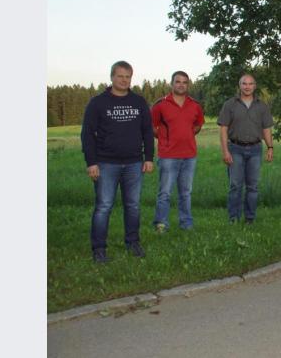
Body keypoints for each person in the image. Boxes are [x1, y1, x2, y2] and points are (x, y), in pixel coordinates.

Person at [81, 61, 154, 263]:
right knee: (104, 206)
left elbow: (147, 132)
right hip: (106, 164)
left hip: (133, 163)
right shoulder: (98, 103)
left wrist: (148, 157)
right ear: (112, 77)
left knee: (133, 205)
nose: (124, 80)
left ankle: (133, 243)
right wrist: (91, 162)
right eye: (120, 76)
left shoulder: (138, 102)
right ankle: (99, 249)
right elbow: (87, 135)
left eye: (128, 77)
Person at [151, 71, 205, 232]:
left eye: (184, 82)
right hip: (168, 156)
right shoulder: (161, 104)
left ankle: (186, 224)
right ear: (172, 83)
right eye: (178, 81)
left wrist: (186, 135)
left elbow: (198, 125)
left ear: (188, 85)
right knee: (165, 192)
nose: (181, 85)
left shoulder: (194, 105)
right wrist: (166, 139)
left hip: (189, 155)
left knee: (186, 193)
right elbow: (153, 128)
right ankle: (161, 224)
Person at [217, 73, 274, 224]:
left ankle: (250, 218)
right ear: (239, 86)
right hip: (235, 148)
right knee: (235, 186)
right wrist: (225, 151)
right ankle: (233, 218)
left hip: (255, 149)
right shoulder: (229, 104)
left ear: (254, 86)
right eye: (244, 84)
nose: (247, 87)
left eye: (250, 84)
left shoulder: (262, 106)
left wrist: (270, 147)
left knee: (253, 187)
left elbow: (267, 129)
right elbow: (223, 129)